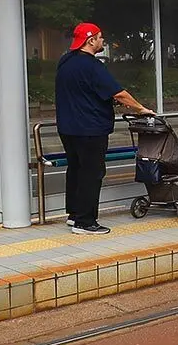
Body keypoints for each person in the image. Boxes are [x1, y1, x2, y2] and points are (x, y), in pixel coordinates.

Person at [56, 23, 153, 235]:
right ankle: (85, 222)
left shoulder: (65, 61)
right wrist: (141, 108)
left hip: (67, 128)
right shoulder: (92, 66)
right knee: (92, 173)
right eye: (100, 37)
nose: (103, 41)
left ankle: (74, 215)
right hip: (90, 129)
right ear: (90, 40)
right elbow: (119, 93)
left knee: (76, 170)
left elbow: (83, 92)